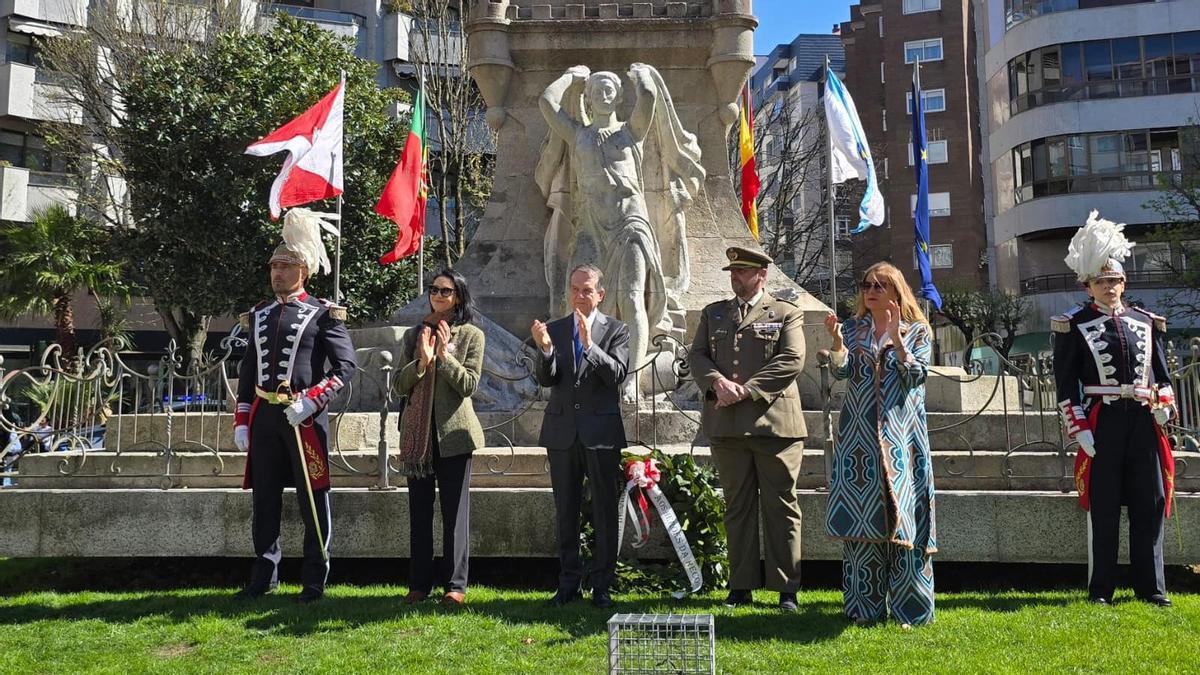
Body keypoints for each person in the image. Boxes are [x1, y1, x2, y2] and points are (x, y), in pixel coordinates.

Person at [537, 63, 704, 403]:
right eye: (596, 89)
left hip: (630, 224)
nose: (603, 93)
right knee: (579, 299)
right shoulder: (578, 134)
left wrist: (642, 75)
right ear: (587, 97)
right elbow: (546, 102)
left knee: (631, 300)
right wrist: (570, 77)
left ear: (618, 98)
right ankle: (580, 374)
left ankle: (632, 378)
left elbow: (648, 97)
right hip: (589, 226)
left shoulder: (631, 133)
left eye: (610, 89)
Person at [232, 210, 357, 603]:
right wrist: (241, 419)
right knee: (264, 498)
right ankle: (263, 576)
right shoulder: (257, 315)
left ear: (304, 269)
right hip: (266, 418)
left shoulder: (324, 313)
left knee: (313, 499)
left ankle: (314, 578)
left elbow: (345, 367)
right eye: (273, 266)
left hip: (304, 419)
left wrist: (313, 401)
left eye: (286, 266)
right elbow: (248, 370)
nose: (277, 273)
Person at [1053, 210, 1176, 607]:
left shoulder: (1145, 321)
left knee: (1150, 503)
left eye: (1116, 280)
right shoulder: (1073, 324)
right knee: (1103, 506)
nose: (1110, 287)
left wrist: (1164, 405)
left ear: (1125, 283)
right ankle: (1101, 590)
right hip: (1101, 422)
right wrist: (1079, 428)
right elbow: (1065, 382)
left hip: (1142, 420)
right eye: (1102, 281)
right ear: (1088, 286)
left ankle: (1151, 587)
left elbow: (1162, 375)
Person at [687, 247, 806, 612]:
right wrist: (716, 382)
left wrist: (748, 389)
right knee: (736, 507)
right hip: (728, 427)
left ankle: (787, 589)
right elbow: (697, 355)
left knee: (781, 506)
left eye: (742, 271)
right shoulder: (714, 313)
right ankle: (740, 586)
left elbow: (792, 359)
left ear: (762, 275)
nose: (735, 276)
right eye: (732, 271)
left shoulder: (786, 312)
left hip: (774, 426)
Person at [823, 262, 936, 627]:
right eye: (866, 284)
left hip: (903, 442)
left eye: (880, 285)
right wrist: (839, 347)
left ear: (896, 291)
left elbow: (917, 377)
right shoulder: (853, 329)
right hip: (859, 445)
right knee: (863, 528)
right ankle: (863, 610)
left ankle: (911, 612)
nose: (870, 290)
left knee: (907, 528)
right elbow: (841, 373)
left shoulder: (918, 331)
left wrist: (900, 344)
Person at [532, 264, 630, 609]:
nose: (579, 296)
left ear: (600, 294)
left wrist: (590, 344)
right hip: (562, 433)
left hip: (601, 434)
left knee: (605, 511)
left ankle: (602, 585)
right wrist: (545, 350)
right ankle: (568, 583)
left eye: (587, 290)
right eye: (574, 289)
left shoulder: (616, 330)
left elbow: (617, 374)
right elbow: (548, 380)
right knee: (566, 512)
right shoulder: (556, 329)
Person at [393, 268, 485, 607]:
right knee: (419, 513)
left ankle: (455, 585)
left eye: (445, 291)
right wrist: (421, 362)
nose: (438, 296)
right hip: (418, 439)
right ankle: (419, 584)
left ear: (458, 296)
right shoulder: (415, 334)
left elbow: (469, 385)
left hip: (454, 437)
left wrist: (444, 358)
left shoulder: (472, 335)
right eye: (434, 290)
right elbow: (398, 386)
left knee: (454, 514)